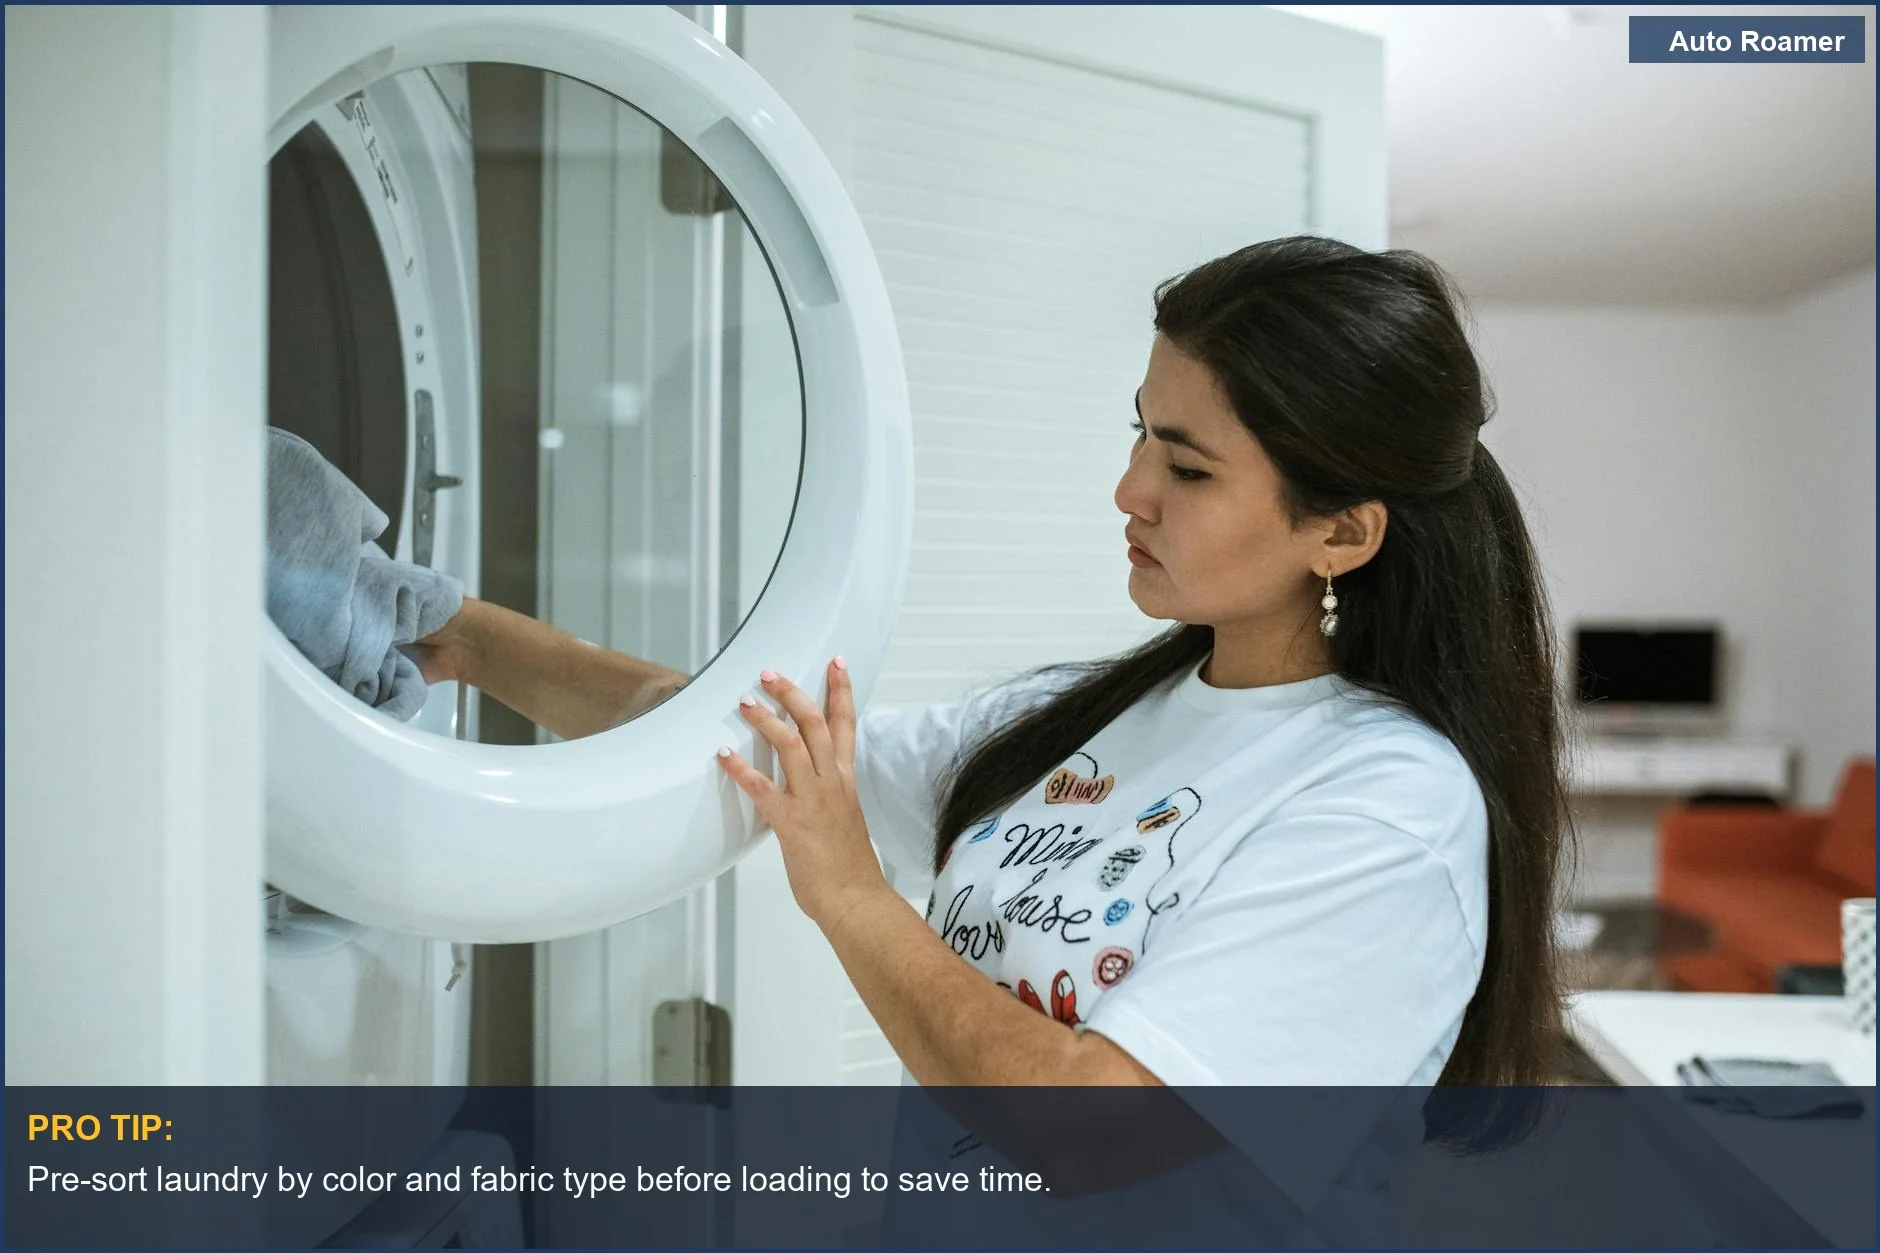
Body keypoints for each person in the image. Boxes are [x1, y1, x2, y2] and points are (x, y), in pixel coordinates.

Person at [414, 236, 1569, 1113]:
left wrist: (855, 894)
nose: (1130, 490)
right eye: (1137, 434)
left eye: (1188, 465)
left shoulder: (1384, 807)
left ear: (1341, 533)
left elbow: (1099, 1128)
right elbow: (749, 743)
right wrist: (451, 628)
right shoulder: (1090, 718)